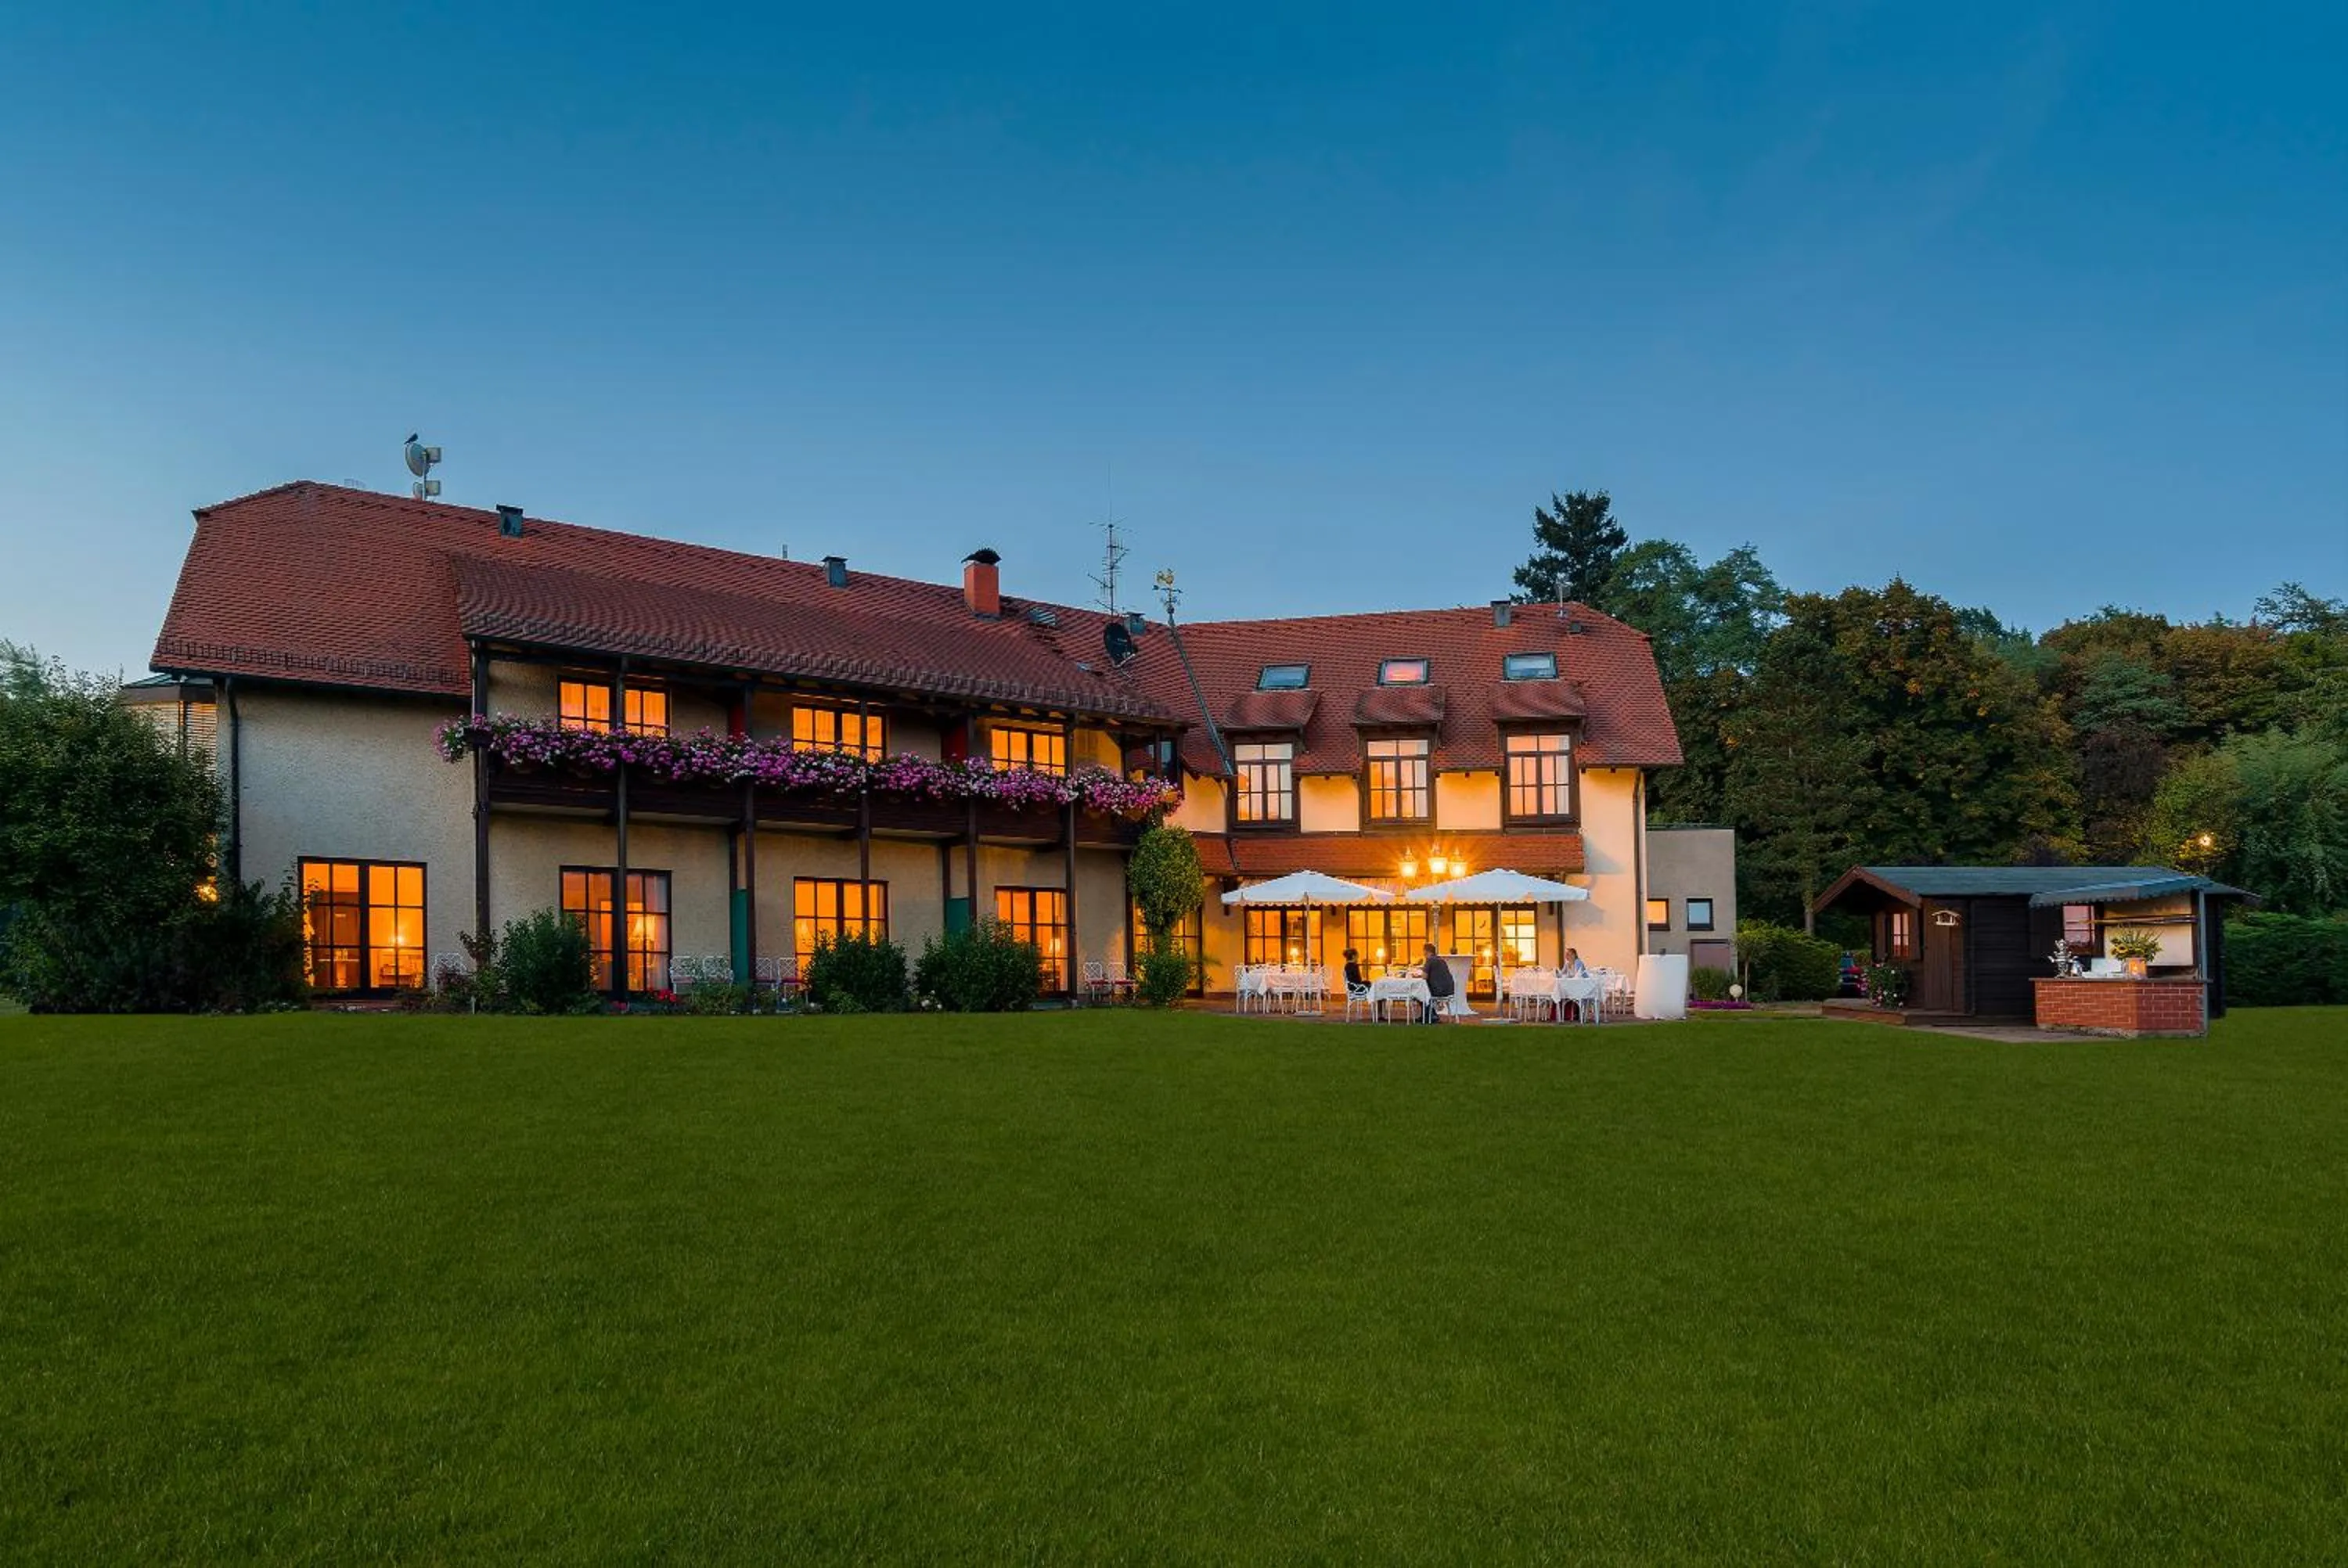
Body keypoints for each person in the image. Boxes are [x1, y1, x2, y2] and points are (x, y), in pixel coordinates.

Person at [1419, 941, 1454, 1023]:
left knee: (1419, 994)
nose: (1423, 953)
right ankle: (1430, 1015)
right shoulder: (1441, 960)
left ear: (1426, 951)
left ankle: (1429, 1017)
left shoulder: (1430, 960)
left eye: (1424, 951)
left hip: (1439, 990)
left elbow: (1424, 977)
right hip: (1449, 990)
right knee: (1423, 993)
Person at [1561, 946, 1590, 1021]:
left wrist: (1567, 977)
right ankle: (1565, 1014)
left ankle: (1573, 1014)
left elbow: (1578, 976)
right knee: (1562, 991)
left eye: (1568, 954)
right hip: (1574, 985)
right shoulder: (1567, 964)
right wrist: (1556, 973)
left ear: (1574, 955)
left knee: (1566, 991)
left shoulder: (1578, 962)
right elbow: (1562, 974)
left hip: (1583, 986)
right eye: (1566, 954)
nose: (1566, 956)